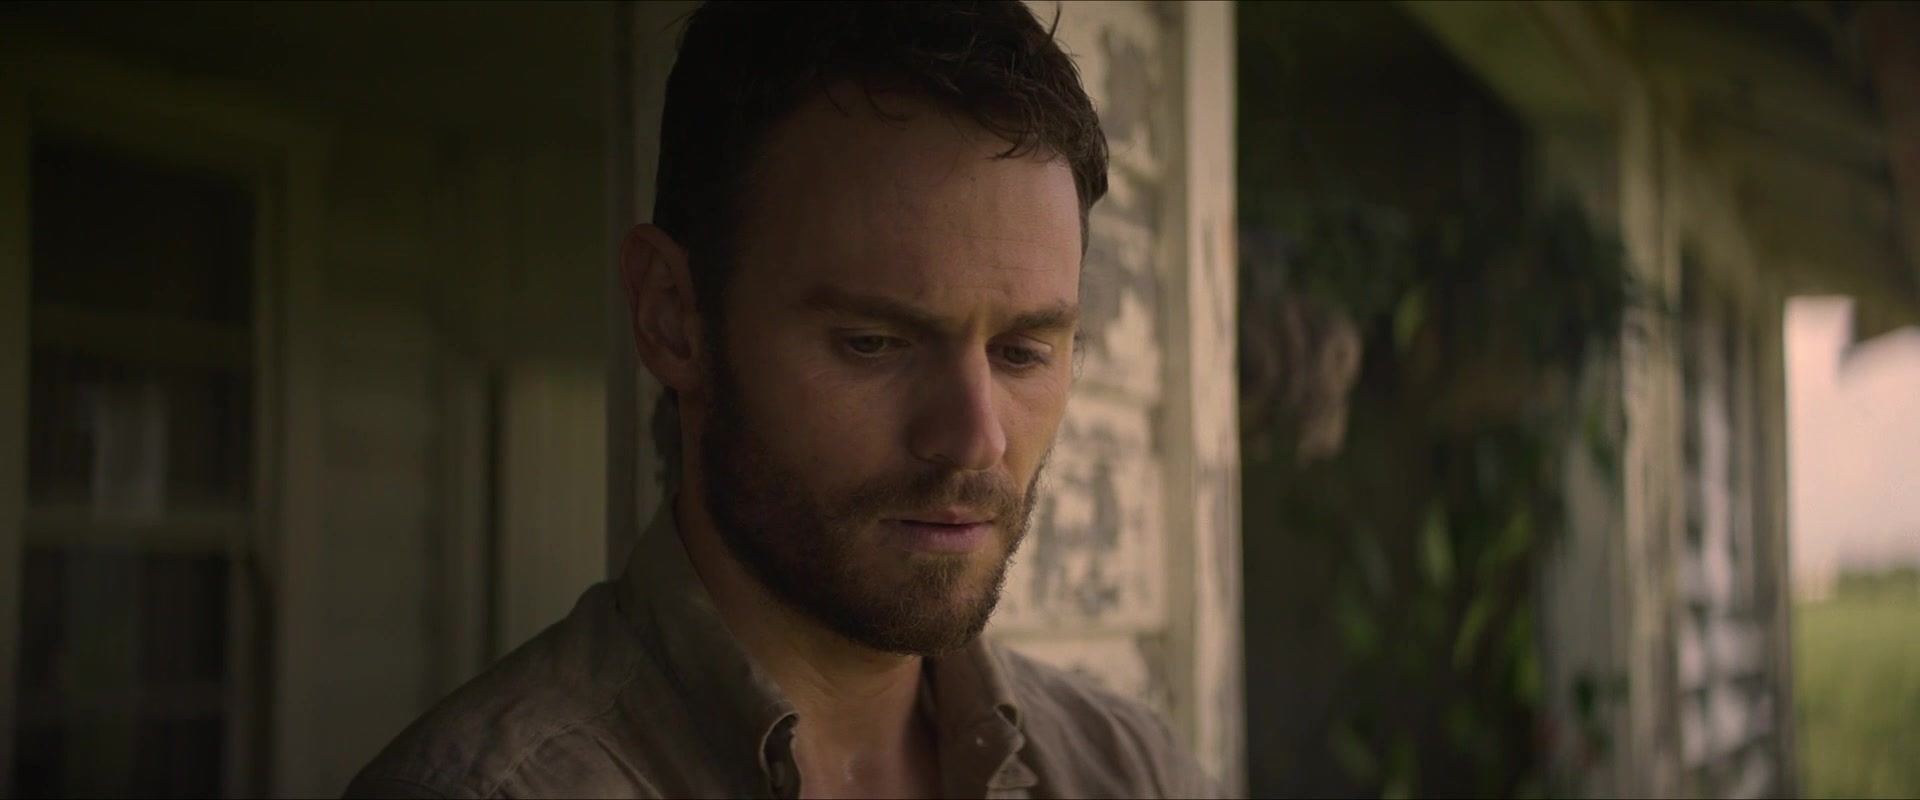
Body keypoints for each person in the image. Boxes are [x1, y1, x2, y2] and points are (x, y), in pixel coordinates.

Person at [347, 2, 1224, 797]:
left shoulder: (1133, 771)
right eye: (873, 342)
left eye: (1023, 352)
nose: (974, 439)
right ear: (672, 318)